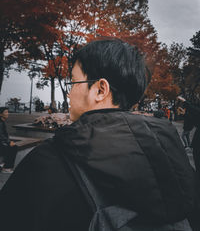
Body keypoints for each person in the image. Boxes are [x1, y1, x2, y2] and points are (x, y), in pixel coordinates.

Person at [0, 39, 196, 231]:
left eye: (74, 82)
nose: (69, 94)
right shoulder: (175, 159)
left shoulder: (48, 161)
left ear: (101, 90)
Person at [0, 107, 18, 173]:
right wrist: (9, 142)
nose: (8, 113)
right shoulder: (0, 123)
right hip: (1, 143)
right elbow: (0, 136)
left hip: (2, 142)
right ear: (1, 114)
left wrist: (9, 141)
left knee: (13, 146)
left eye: (8, 112)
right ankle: (7, 167)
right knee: (13, 147)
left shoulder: (2, 122)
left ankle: (3, 163)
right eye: (6, 112)